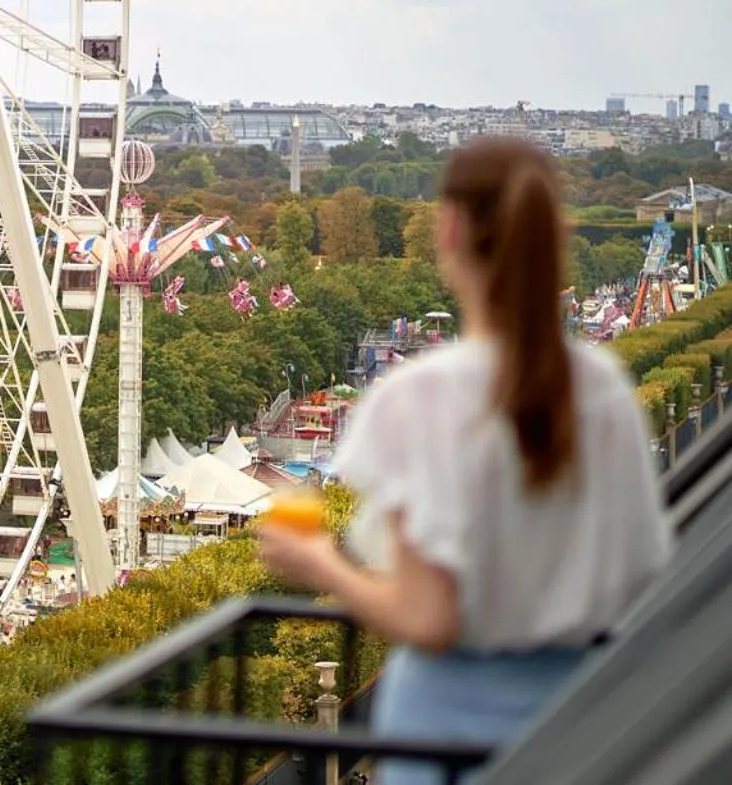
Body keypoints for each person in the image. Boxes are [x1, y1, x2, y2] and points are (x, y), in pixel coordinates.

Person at [258, 137, 672, 784]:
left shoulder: (420, 398)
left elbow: (428, 619)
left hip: (445, 734)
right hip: (579, 722)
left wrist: (315, 562)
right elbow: (640, 572)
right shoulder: (604, 393)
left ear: (448, 230)